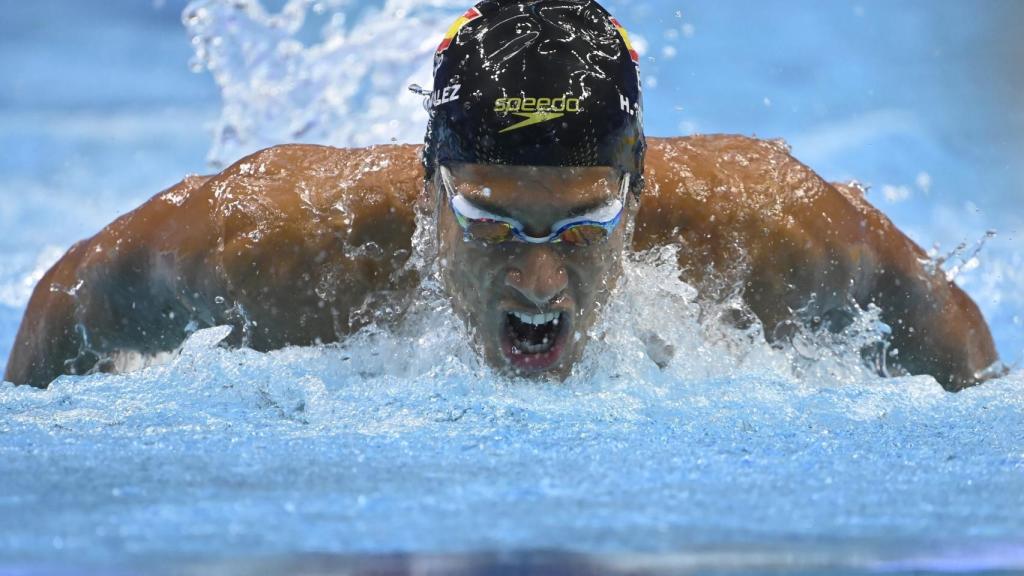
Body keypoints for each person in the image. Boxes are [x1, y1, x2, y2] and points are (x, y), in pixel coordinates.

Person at [4, 0, 1002, 391]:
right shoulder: (274, 240)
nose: (537, 279)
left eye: (584, 226)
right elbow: (70, 302)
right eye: (489, 222)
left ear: (638, 192)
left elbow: (963, 362)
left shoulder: (772, 228)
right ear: (429, 188)